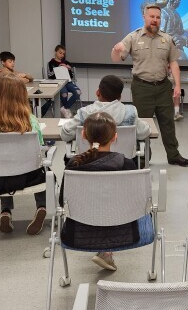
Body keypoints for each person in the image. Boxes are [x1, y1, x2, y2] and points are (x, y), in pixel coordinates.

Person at [111, 4, 188, 166]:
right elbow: (116, 58)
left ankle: (173, 155)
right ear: (144, 17)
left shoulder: (167, 39)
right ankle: (143, 155)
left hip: (163, 87)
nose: (155, 20)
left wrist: (177, 85)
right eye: (152, 16)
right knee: (142, 124)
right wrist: (116, 49)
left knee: (168, 123)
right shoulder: (133, 37)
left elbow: (173, 62)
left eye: (158, 17)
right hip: (142, 87)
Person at [60, 112, 138, 271]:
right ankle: (106, 252)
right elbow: (136, 203)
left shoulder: (73, 165)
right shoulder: (127, 164)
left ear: (83, 135)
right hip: (123, 231)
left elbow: (63, 201)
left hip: (78, 231)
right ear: (115, 137)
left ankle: (105, 252)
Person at [0, 75, 46, 235]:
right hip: (27, 176)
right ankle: (42, 206)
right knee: (43, 169)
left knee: (2, 163)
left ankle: (5, 211)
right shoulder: (31, 121)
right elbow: (39, 150)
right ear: (22, 95)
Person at [60, 75, 151, 145]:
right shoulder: (130, 112)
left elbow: (65, 135)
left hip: (90, 163)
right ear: (119, 97)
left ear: (98, 92)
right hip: (122, 163)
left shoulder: (84, 113)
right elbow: (144, 132)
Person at [47, 44, 81, 119]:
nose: (62, 55)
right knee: (64, 93)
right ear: (55, 52)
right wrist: (58, 68)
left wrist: (69, 69)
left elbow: (71, 76)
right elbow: (49, 75)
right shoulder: (51, 63)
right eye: (60, 53)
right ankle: (66, 110)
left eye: (63, 53)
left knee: (78, 92)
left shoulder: (67, 62)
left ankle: (65, 108)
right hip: (58, 83)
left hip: (68, 82)